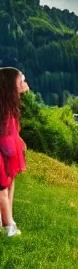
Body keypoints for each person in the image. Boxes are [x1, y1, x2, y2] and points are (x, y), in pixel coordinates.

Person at [0, 68, 30, 237]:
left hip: (9, 153)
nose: (25, 83)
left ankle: (6, 218)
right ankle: (9, 227)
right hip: (4, 153)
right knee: (2, 189)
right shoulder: (5, 109)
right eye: (21, 80)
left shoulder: (9, 106)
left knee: (9, 185)